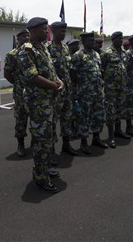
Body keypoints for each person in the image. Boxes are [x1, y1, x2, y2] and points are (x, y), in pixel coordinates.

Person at [18, 17, 63, 192]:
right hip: (38, 104)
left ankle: (44, 170)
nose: (47, 32)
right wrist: (54, 86)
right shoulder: (26, 51)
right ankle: (40, 177)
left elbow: (51, 72)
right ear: (33, 31)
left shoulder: (43, 49)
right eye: (44, 29)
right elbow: (32, 76)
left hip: (49, 102)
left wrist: (59, 81)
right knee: (41, 141)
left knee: (49, 139)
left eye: (47, 29)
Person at [46, 22, 79, 161]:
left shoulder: (66, 48)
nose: (63, 33)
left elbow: (69, 69)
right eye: (61, 31)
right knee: (52, 122)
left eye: (65, 31)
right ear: (53, 31)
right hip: (55, 92)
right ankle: (51, 151)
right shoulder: (47, 48)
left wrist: (73, 84)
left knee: (67, 119)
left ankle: (66, 145)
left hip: (67, 92)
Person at [70, 32, 108, 151]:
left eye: (93, 41)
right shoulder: (78, 55)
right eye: (90, 41)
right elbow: (73, 74)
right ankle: (83, 142)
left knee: (98, 116)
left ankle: (96, 138)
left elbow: (100, 71)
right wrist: (77, 90)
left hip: (97, 92)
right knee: (84, 118)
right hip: (84, 93)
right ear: (84, 42)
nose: (93, 42)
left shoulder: (96, 55)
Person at [4, 28, 30, 157]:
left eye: (28, 36)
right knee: (21, 118)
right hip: (20, 92)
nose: (26, 38)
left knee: (37, 118)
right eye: (23, 36)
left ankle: (37, 144)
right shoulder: (12, 54)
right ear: (18, 39)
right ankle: (21, 144)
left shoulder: (34, 52)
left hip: (36, 92)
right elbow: (7, 73)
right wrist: (18, 83)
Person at [102, 31, 130, 143]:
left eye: (122, 38)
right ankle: (110, 135)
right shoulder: (107, 53)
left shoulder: (124, 53)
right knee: (110, 110)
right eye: (119, 38)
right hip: (111, 88)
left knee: (120, 108)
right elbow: (101, 69)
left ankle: (118, 130)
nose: (121, 40)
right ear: (113, 40)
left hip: (122, 86)